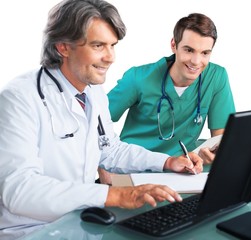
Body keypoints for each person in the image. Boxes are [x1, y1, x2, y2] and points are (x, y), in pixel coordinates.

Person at [0, 1, 203, 239]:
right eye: (98, 46)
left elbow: (110, 150)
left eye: (112, 46)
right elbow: (19, 191)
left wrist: (168, 162)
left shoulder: (92, 90)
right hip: (31, 230)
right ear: (63, 47)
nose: (110, 57)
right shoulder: (19, 98)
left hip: (81, 220)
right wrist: (114, 195)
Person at [107, 13, 235, 165]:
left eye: (205, 53)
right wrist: (103, 165)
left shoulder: (216, 77)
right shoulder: (138, 78)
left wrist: (213, 153)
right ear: (174, 45)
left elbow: (221, 138)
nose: (196, 61)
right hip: (135, 165)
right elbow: (95, 123)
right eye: (189, 50)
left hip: (181, 167)